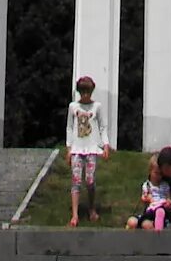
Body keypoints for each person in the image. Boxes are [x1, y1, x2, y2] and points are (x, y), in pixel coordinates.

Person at [65, 73, 111, 226]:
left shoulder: (96, 107)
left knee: (90, 181)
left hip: (91, 148)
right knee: (76, 180)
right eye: (83, 92)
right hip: (77, 149)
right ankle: (75, 215)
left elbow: (103, 126)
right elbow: (70, 128)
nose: (85, 95)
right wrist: (69, 148)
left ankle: (91, 208)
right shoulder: (73, 107)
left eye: (88, 92)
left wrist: (105, 145)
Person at [127, 155, 171, 231]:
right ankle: (156, 229)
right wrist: (147, 198)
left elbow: (169, 198)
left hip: (163, 208)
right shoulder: (147, 185)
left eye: (160, 174)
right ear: (150, 171)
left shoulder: (165, 185)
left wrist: (169, 202)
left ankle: (158, 231)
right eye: (156, 173)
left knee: (161, 211)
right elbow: (144, 197)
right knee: (136, 221)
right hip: (152, 209)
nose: (158, 176)